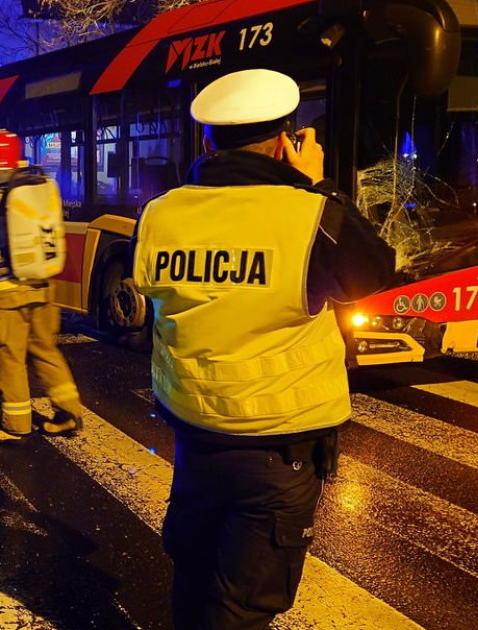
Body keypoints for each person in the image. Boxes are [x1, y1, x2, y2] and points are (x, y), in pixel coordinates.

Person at [130, 69, 395, 629]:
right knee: (243, 605)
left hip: (195, 435)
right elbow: (374, 271)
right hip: (279, 444)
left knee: (194, 577)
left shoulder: (159, 213)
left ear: (207, 140)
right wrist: (318, 187)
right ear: (286, 141)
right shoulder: (310, 214)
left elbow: (155, 294)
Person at [0, 129, 95, 443]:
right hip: (43, 287)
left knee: (10, 357)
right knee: (46, 350)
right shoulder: (40, 186)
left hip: (7, 295)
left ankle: (15, 425)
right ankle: (68, 413)